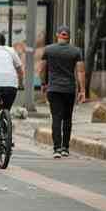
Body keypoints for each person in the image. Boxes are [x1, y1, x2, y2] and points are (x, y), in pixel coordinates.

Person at [38, 26, 86, 159]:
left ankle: (56, 149)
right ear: (69, 37)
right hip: (69, 89)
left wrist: (43, 84)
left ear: (57, 35)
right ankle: (65, 148)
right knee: (67, 118)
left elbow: (42, 69)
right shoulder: (76, 51)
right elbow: (81, 71)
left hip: (53, 89)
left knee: (56, 118)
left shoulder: (48, 50)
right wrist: (82, 90)